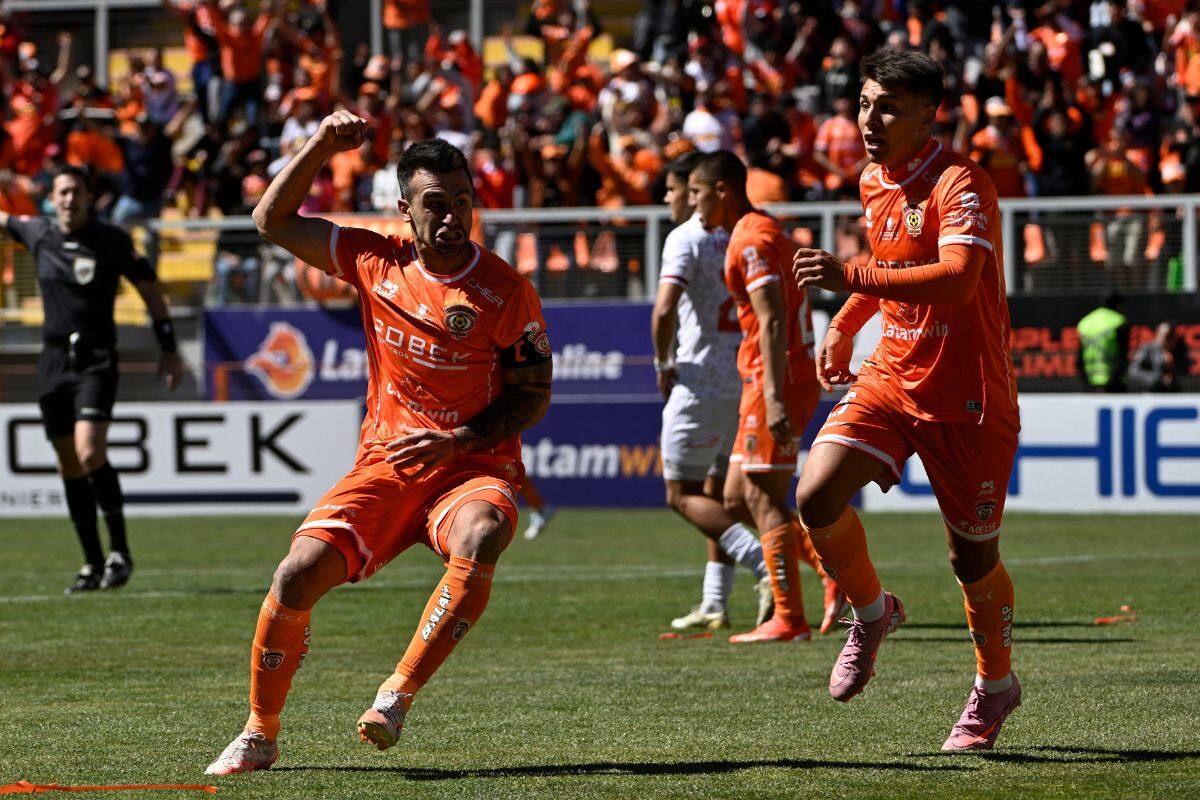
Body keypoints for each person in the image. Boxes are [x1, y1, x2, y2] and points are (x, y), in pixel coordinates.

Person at [205, 117, 553, 775]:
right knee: (295, 573)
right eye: (435, 204)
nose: (451, 216)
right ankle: (260, 732)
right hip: (387, 464)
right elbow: (270, 221)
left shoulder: (509, 291)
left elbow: (533, 394)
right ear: (405, 210)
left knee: (481, 532)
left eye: (461, 202)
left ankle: (396, 695)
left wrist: (458, 442)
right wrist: (320, 146)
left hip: (471, 465)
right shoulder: (374, 259)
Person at [790, 49, 1022, 751]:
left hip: (968, 396)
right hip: (892, 375)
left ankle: (995, 685)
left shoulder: (962, 182)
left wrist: (847, 276)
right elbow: (888, 269)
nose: (869, 119)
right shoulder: (873, 181)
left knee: (970, 561)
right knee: (816, 497)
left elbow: (955, 279)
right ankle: (870, 611)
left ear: (930, 114)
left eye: (888, 107)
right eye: (863, 103)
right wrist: (843, 323)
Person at [0, 165, 185, 593]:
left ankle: (119, 550)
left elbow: (150, 292)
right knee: (68, 463)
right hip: (52, 361)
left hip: (96, 359)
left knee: (88, 451)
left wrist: (169, 349)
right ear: (53, 197)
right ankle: (91, 562)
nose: (68, 199)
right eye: (62, 192)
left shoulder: (111, 240)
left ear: (87, 197)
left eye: (75, 192)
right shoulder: (38, 232)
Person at [688, 150, 840, 644]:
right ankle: (830, 572)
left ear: (722, 190)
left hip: (771, 377)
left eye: (697, 192)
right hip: (772, 375)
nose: (694, 203)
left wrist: (773, 396)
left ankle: (789, 617)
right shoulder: (767, 231)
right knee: (735, 496)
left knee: (760, 495)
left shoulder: (750, 239)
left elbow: (772, 318)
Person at [651, 152, 775, 631]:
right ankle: (715, 602)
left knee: (680, 494)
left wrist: (663, 363)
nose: (669, 198)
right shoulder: (748, 232)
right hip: (744, 377)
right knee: (716, 495)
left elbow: (664, 310)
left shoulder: (686, 238)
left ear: (696, 188)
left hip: (700, 380)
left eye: (675, 189)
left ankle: (764, 564)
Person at [1076, 292, 1130, 393]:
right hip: (1114, 383)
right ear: (1118, 305)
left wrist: (1085, 384)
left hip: (1089, 382)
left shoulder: (1084, 323)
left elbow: (1079, 361)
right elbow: (1123, 356)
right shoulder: (1119, 321)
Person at [1127, 321, 1185, 392]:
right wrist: (1157, 378)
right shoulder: (1148, 349)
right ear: (1157, 334)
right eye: (1164, 336)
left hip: (1174, 394)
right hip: (1152, 394)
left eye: (1170, 336)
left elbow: (1183, 371)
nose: (1166, 339)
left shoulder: (1178, 351)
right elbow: (1133, 371)